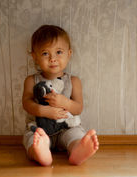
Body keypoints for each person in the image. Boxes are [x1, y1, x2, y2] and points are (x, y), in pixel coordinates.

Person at [22, 25, 99, 166]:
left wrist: (65, 102)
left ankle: (77, 150)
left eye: (58, 52)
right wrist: (43, 111)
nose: (53, 59)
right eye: (45, 53)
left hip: (67, 128)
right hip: (41, 129)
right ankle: (40, 152)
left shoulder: (73, 81)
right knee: (33, 138)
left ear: (69, 54)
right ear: (34, 56)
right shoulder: (32, 80)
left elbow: (78, 108)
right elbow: (26, 103)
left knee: (75, 135)